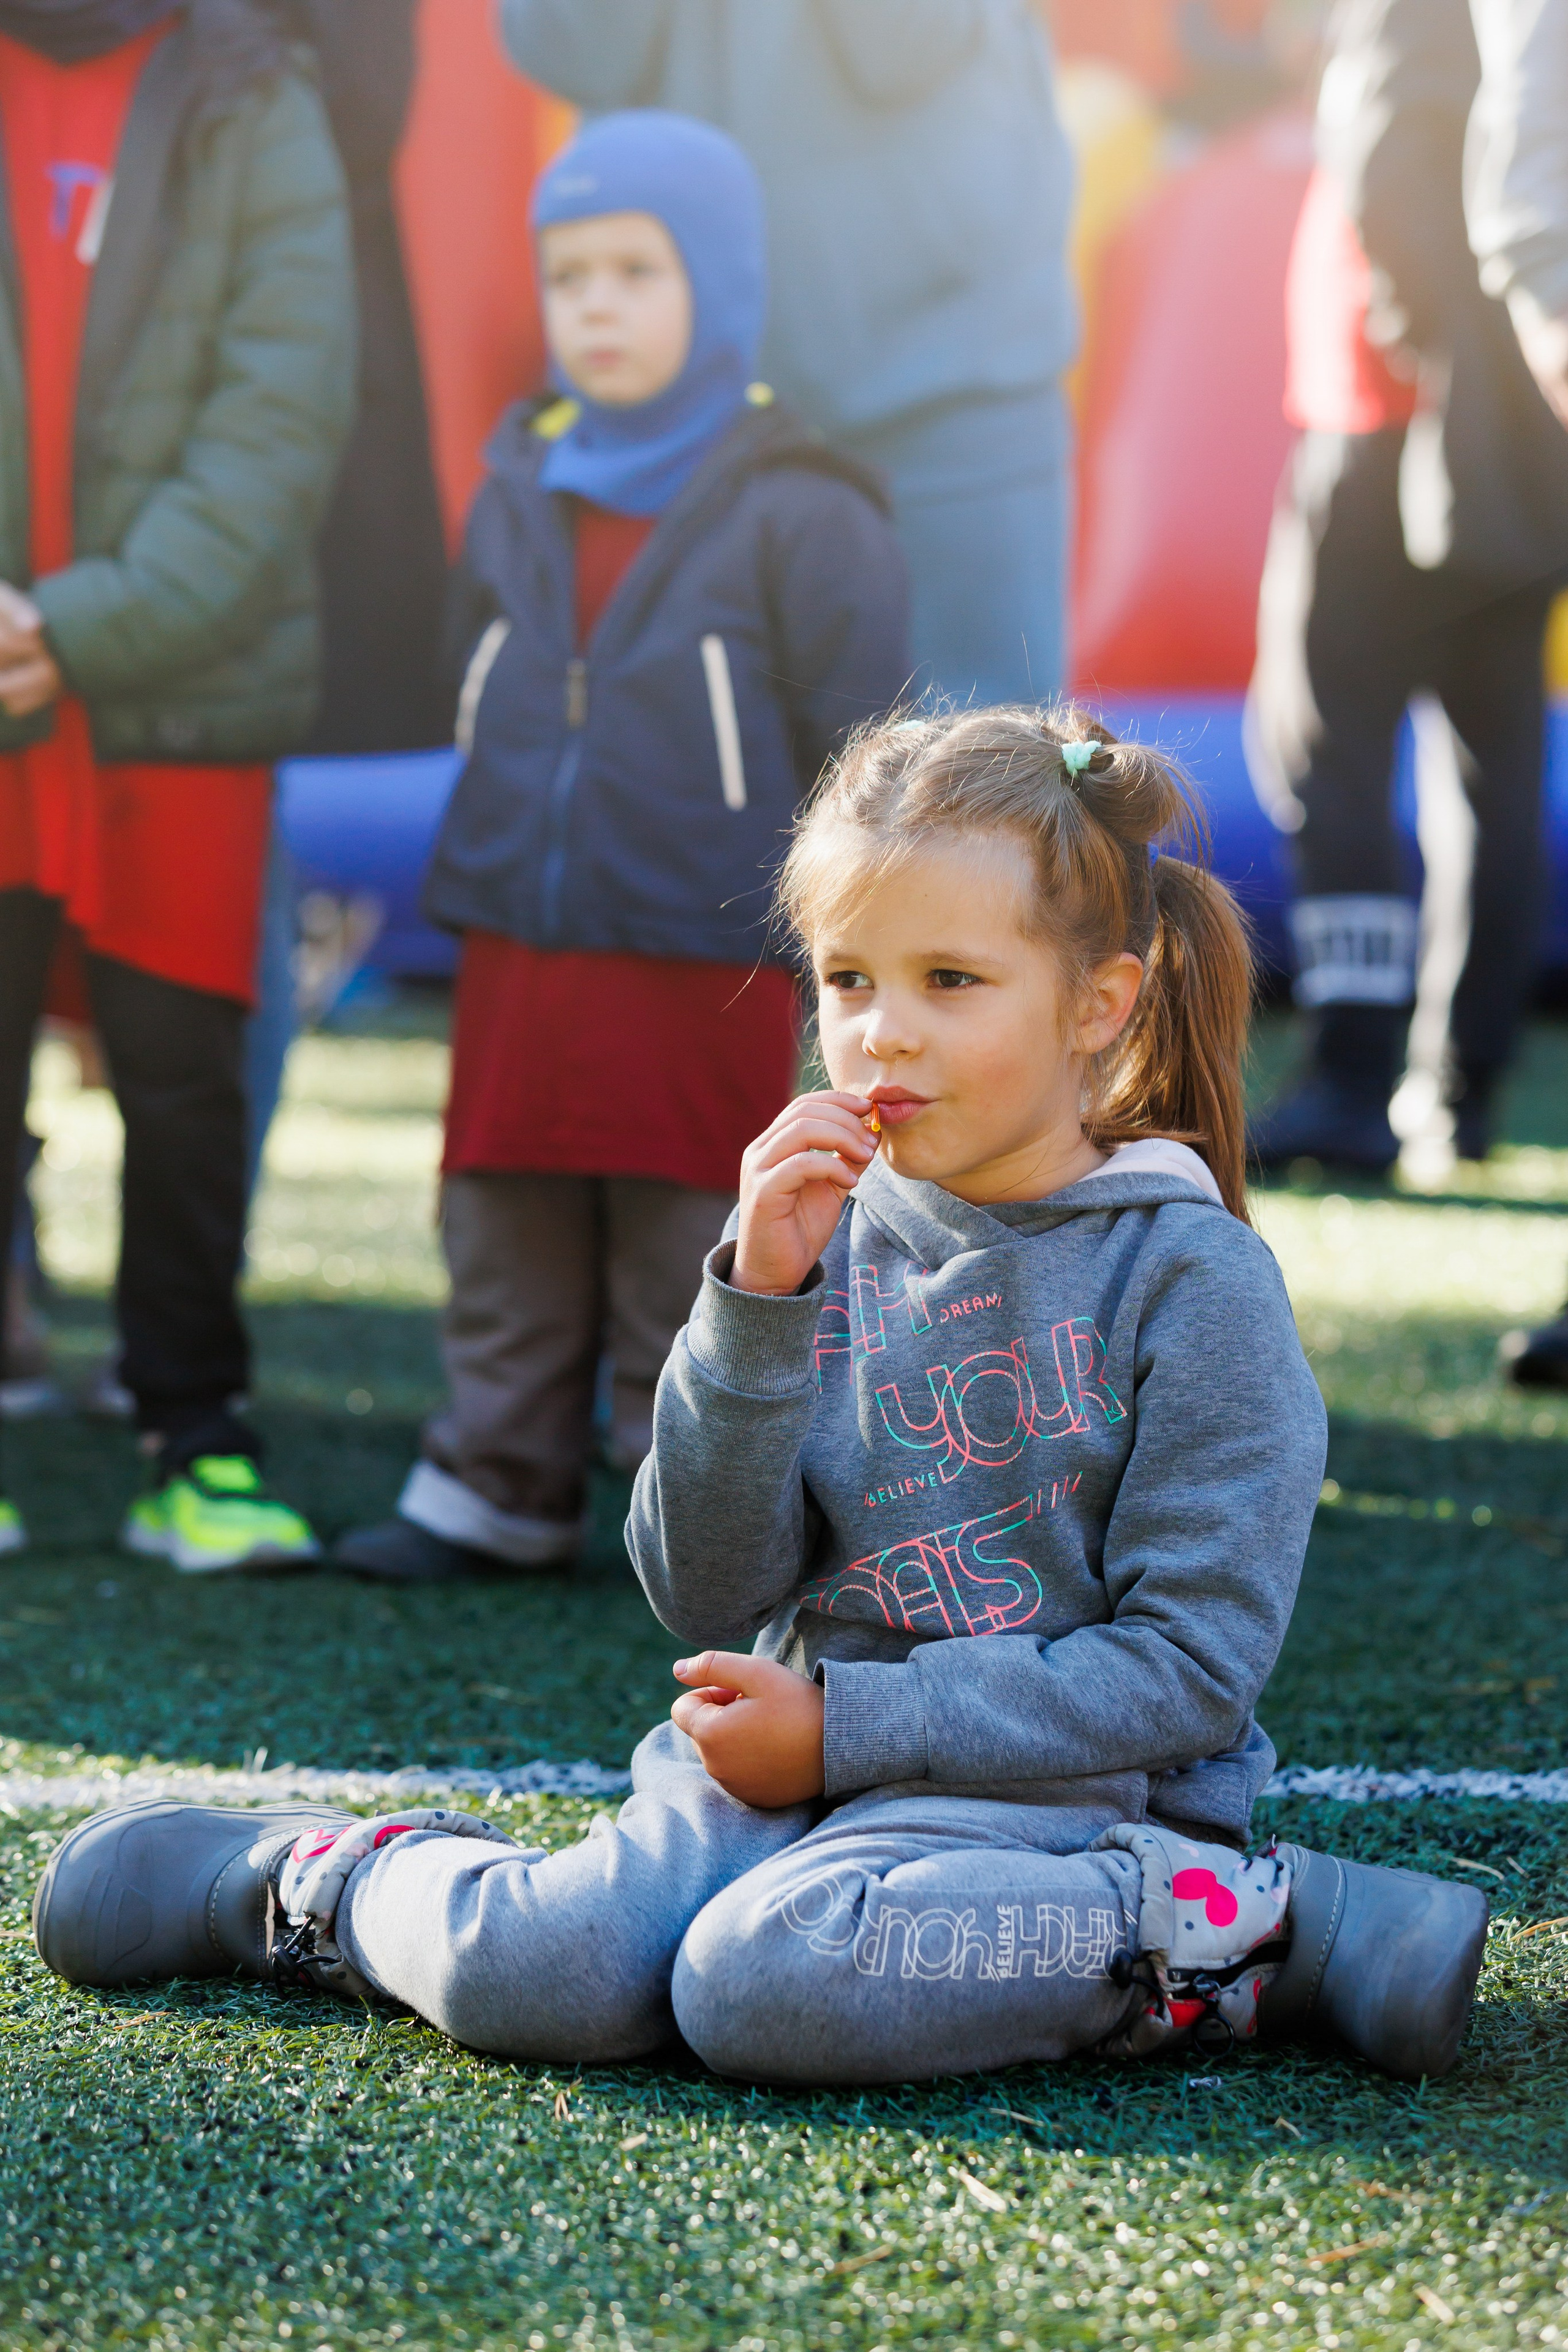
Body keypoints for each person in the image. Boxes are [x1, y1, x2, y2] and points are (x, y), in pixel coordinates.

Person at [35, 705, 1488, 2088]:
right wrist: (753, 1306)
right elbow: (703, 1587)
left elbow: (1186, 1671)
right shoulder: (821, 1236)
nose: (880, 1033)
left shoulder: (1190, 1279)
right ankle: (302, 1879)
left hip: (1068, 1815)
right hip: (795, 1761)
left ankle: (1251, 1931)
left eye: (949, 981)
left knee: (762, 1984)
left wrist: (848, 1725)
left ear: (1097, 1005)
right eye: (847, 980)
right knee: (545, 1971)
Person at [333, 111, 910, 1581]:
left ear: (719, 283)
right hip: (519, 927)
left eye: (636, 272)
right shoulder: (518, 478)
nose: (594, 306)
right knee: (502, 1209)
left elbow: (859, 749)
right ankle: (494, 1480)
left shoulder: (805, 504)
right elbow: (478, 665)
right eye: (568, 274)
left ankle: (701, 1509)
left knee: (688, 1229)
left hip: (699, 942)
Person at [0, 0, 355, 1569]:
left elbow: (282, 408)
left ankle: (196, 1436)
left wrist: (78, 626)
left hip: (183, 681)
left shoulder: (249, 88)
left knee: (183, 1075)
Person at [499, 0, 1076, 708]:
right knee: (672, 749)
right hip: (671, 391)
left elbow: (911, 41)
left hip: (943, 362)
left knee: (978, 750)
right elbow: (566, 47)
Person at [1246, 0, 1568, 1174]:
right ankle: (1460, 1083)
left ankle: (1352, 1071)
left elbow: (1392, 142)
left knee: (1327, 747)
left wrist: (1428, 360)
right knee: (1494, 750)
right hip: (1509, 428)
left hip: (1388, 416)